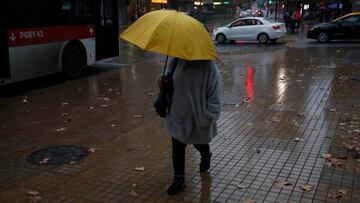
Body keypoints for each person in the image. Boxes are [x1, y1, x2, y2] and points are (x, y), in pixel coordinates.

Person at [157, 57, 222, 195]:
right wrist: (162, 81)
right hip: (177, 116)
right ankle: (179, 179)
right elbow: (169, 80)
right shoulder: (176, 61)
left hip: (198, 118)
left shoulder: (209, 67)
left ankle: (206, 155)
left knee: (199, 144)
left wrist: (208, 116)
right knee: (177, 147)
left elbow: (215, 96)